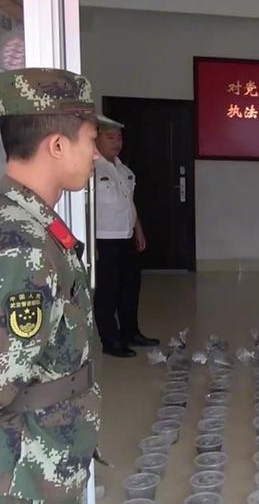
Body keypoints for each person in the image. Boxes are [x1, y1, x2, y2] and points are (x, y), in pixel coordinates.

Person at [0, 68, 103, 502]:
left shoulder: (26, 223)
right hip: (18, 471)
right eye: (91, 140)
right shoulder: (17, 243)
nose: (96, 154)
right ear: (57, 145)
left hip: (35, 457)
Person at [93, 116, 159, 357]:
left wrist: (138, 229)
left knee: (130, 288)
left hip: (126, 236)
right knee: (107, 292)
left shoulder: (124, 171)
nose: (116, 143)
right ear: (96, 138)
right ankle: (110, 341)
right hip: (104, 240)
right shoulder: (90, 170)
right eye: (110, 137)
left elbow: (129, 204)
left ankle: (130, 332)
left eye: (119, 138)